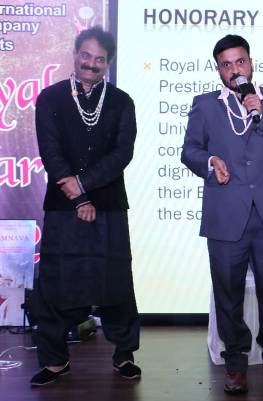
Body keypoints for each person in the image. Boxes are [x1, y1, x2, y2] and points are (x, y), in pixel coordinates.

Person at [181, 34, 263, 394]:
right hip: (226, 214)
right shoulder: (204, 105)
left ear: (251, 62)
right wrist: (209, 161)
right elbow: (189, 150)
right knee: (228, 293)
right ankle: (235, 362)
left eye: (240, 62)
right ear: (218, 69)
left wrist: (261, 115)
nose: (235, 70)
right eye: (226, 64)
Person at [31, 27, 140, 386]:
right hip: (64, 206)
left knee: (115, 281)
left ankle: (123, 355)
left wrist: (86, 187)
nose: (92, 64)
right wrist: (78, 197)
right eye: (86, 56)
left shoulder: (122, 101)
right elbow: (51, 151)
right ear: (75, 54)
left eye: (100, 59)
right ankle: (54, 359)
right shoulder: (50, 98)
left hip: (108, 205)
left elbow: (122, 153)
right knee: (55, 283)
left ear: (108, 64)